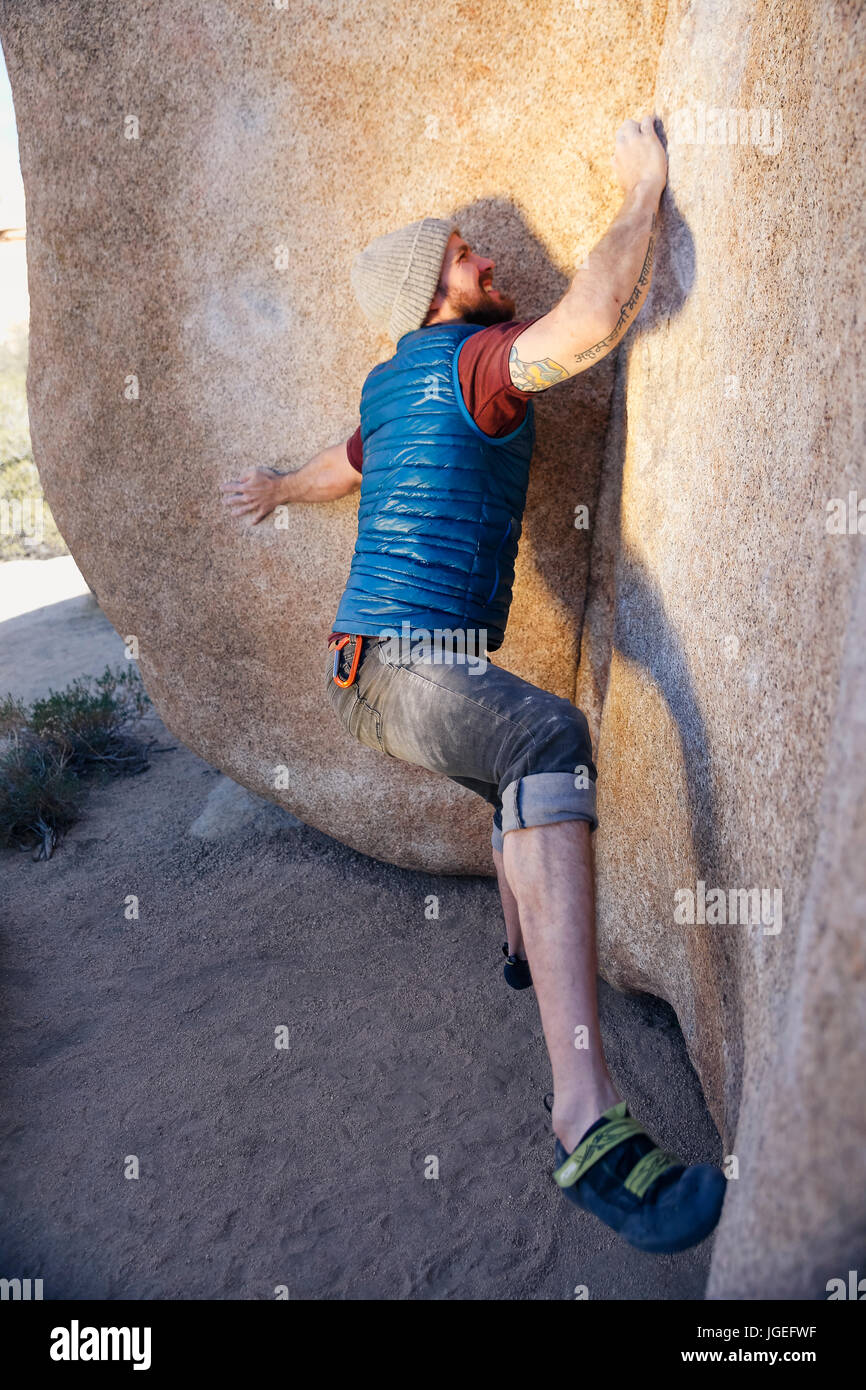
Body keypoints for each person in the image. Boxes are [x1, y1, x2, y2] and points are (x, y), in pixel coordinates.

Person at [220, 114, 726, 1254]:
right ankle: (584, 1122)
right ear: (432, 293)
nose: (487, 260)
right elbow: (593, 318)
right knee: (547, 742)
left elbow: (334, 466)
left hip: (380, 670)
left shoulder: (392, 383)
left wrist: (272, 489)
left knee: (505, 755)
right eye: (463, 254)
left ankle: (515, 943)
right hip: (402, 668)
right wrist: (642, 191)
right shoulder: (476, 365)